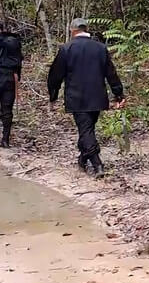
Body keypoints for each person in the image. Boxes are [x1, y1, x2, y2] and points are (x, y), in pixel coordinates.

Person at [47, 18, 126, 176]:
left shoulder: (66, 49)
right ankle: (83, 159)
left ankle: (97, 165)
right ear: (86, 29)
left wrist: (53, 95)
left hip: (76, 97)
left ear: (72, 30)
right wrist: (118, 94)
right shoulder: (100, 48)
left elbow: (55, 75)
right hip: (97, 96)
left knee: (86, 130)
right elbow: (111, 73)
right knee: (87, 129)